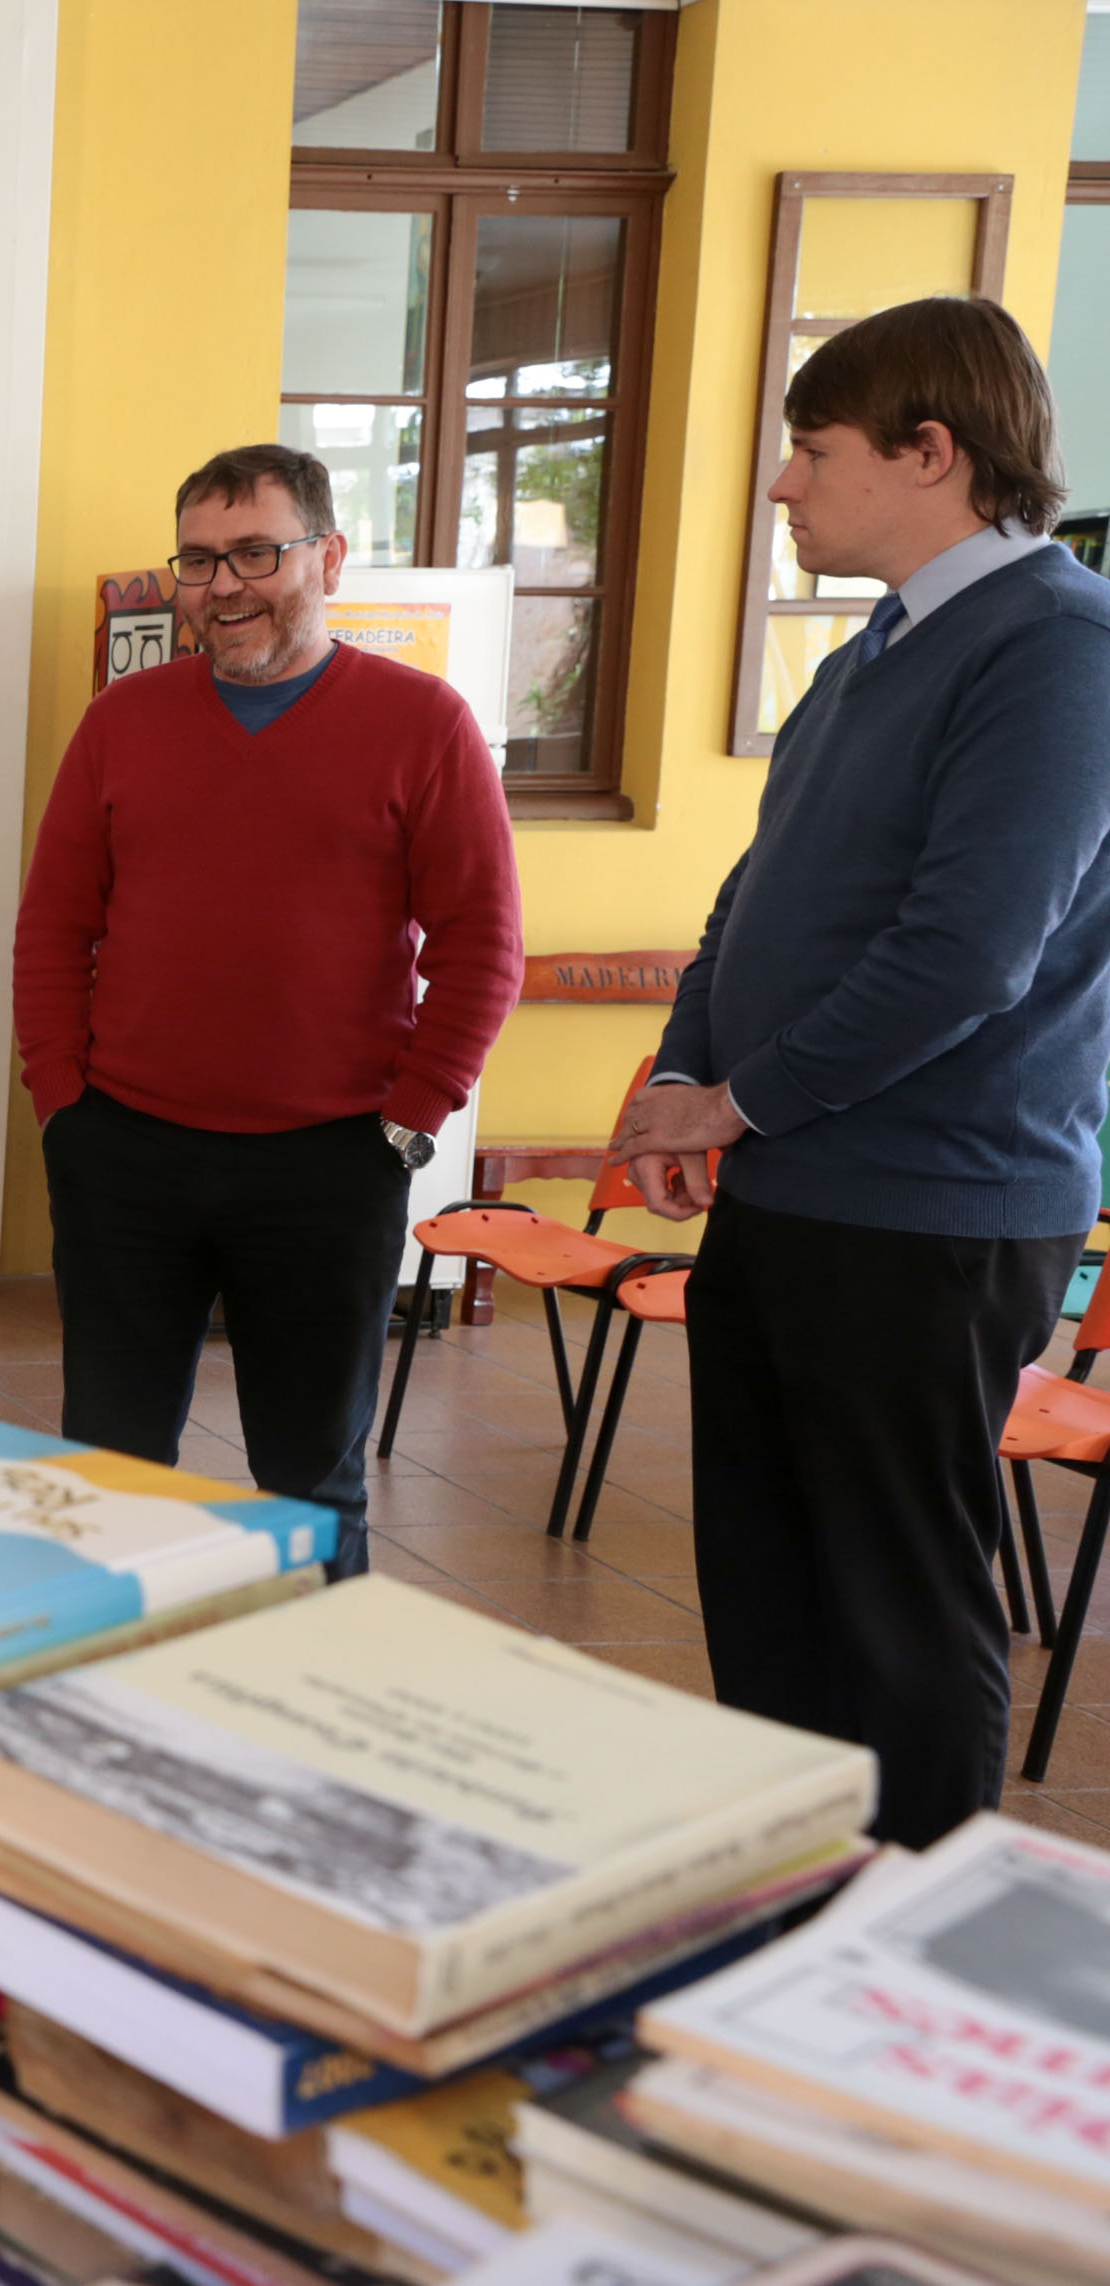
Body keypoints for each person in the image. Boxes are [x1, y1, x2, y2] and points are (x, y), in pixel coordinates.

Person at [613, 296, 1110, 1849]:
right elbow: (752, 899)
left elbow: (968, 955)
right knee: (766, 1579)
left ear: (932, 453)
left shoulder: (1057, 653)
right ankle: (784, 1905)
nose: (784, 485)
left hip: (932, 1209)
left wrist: (737, 1099)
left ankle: (901, 1943)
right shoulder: (876, 652)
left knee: (895, 1606)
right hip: (800, 1186)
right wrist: (683, 1076)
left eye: (811, 451)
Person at [10, 442, 520, 1581]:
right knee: (107, 1465)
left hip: (327, 1166)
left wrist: (409, 1117)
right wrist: (63, 1106)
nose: (222, 586)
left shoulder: (421, 724)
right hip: (127, 1156)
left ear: (328, 559)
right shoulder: (122, 723)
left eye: (255, 553)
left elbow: (483, 945)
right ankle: (92, 1706)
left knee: (310, 1478)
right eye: (198, 560)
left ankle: (304, 1706)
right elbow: (52, 929)